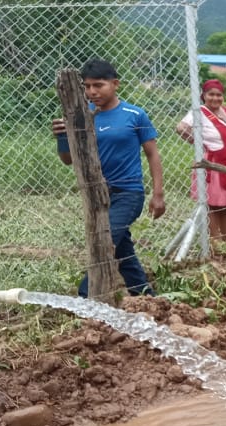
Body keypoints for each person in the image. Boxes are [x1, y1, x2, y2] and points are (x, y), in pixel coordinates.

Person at [51, 59, 165, 297]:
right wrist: (63, 136)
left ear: (115, 84)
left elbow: (153, 154)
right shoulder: (82, 117)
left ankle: (85, 297)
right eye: (87, 86)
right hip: (96, 195)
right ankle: (146, 296)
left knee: (105, 242)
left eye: (98, 85)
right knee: (122, 252)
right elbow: (68, 159)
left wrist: (158, 194)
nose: (92, 92)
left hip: (128, 193)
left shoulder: (135, 115)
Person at [176, 79, 226, 244]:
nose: (215, 98)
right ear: (204, 96)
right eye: (211, 94)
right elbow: (180, 128)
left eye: (219, 95)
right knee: (213, 203)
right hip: (212, 164)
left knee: (224, 202)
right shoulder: (199, 112)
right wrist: (197, 142)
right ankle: (215, 239)